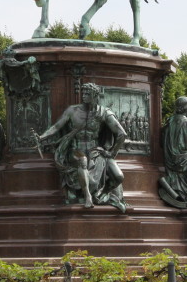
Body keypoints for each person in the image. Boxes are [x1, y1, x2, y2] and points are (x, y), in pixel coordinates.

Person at [32, 82, 127, 212]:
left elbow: (122, 134)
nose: (84, 96)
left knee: (119, 176)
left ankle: (102, 194)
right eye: (83, 93)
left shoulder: (104, 112)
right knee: (82, 161)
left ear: (95, 95)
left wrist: (111, 153)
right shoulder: (73, 110)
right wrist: (41, 137)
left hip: (95, 151)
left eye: (88, 94)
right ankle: (88, 196)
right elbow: (56, 127)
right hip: (76, 150)